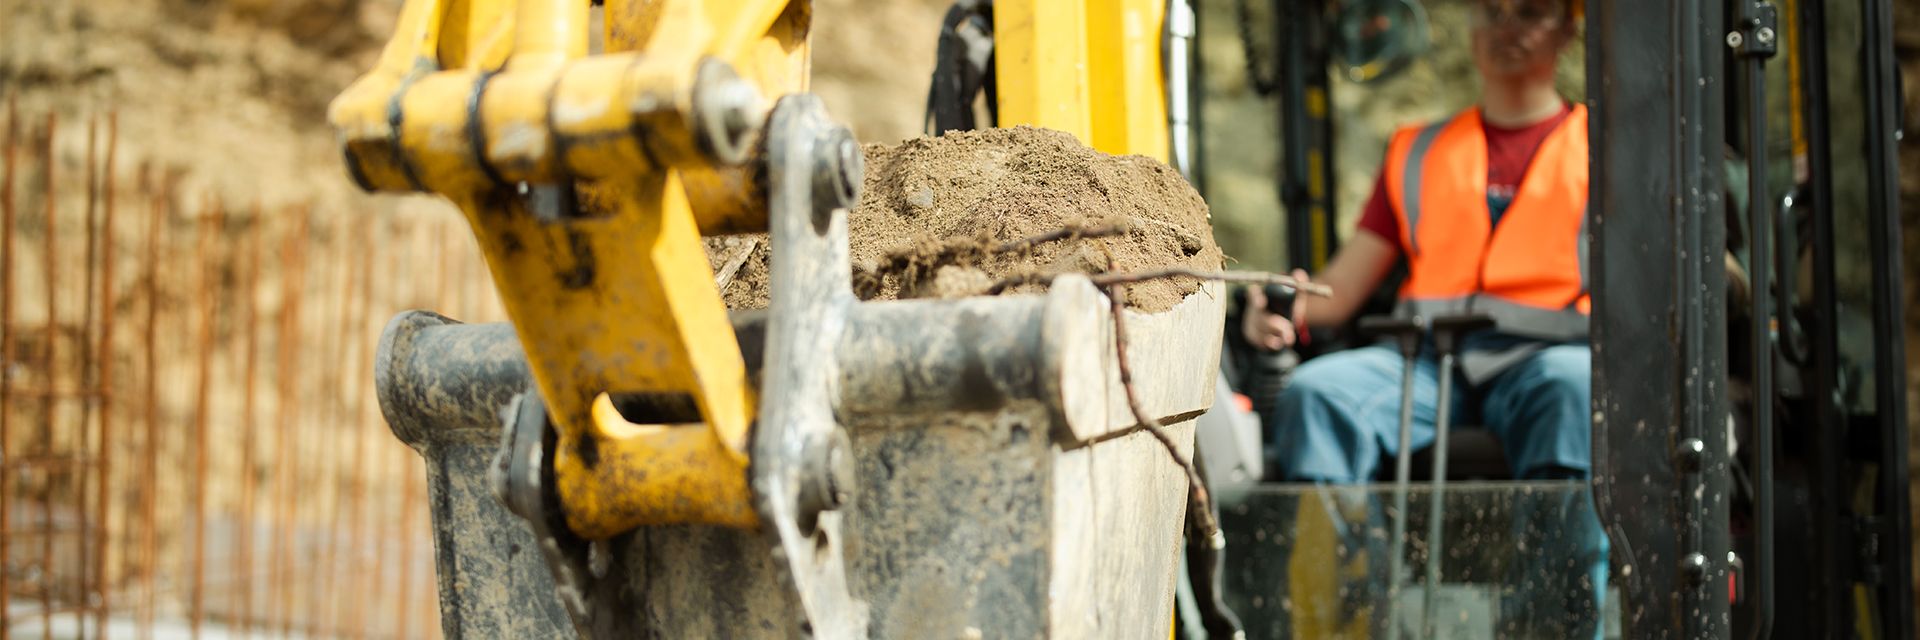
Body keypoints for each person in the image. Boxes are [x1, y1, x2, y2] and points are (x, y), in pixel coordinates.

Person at [1241, 0, 1609, 636]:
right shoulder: (1419, 152)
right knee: (1319, 393)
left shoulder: (1609, 148)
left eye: (1530, 12)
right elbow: (1341, 287)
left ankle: (1553, 621)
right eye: (1491, 11)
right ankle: (1364, 618)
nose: (1505, 28)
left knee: (1576, 390)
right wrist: (1280, 309)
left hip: (1545, 361)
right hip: (1425, 365)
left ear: (1569, 30)